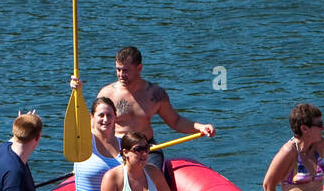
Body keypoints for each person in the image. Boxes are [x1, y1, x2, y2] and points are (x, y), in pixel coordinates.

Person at [70, 45, 215, 172]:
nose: (121, 75)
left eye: (126, 70)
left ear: (139, 68)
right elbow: (93, 125)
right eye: (118, 70)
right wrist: (77, 92)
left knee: (153, 182)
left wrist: (199, 127)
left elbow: (175, 121)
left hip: (146, 148)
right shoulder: (107, 93)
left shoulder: (155, 94)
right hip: (118, 149)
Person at [71, 96, 121, 191]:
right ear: (91, 117)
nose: (105, 119)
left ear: (115, 117)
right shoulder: (82, 142)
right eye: (101, 115)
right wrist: (76, 91)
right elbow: (74, 120)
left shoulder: (124, 145)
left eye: (109, 115)